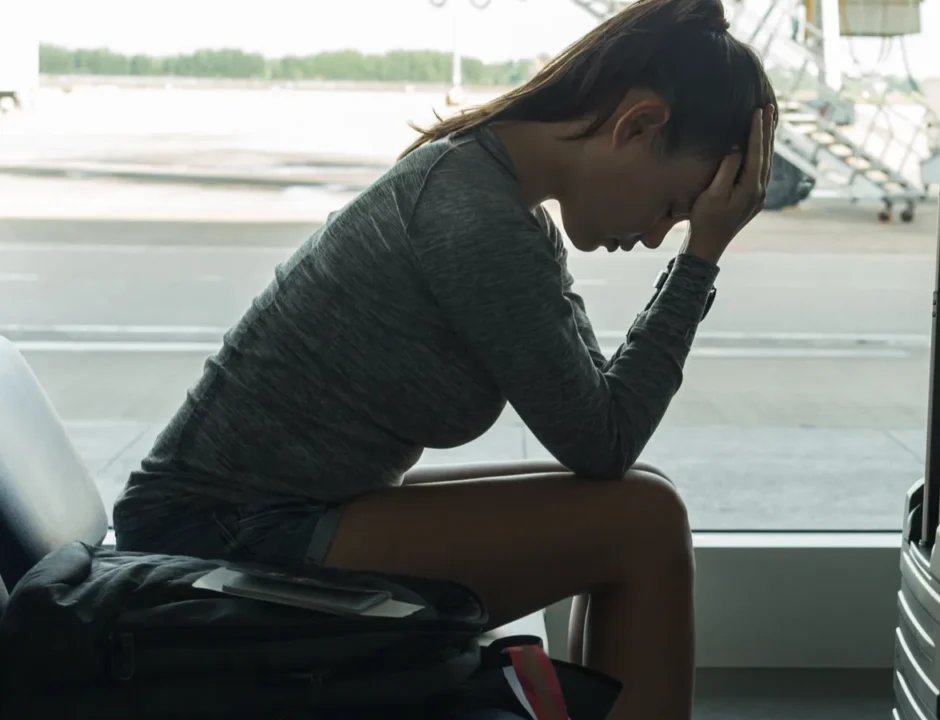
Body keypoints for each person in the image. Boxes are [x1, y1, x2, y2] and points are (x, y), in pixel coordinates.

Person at [111, 0, 776, 717]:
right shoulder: (473, 216)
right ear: (636, 126)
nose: (657, 236)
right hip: (219, 542)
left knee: (640, 500)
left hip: (265, 517)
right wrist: (700, 260)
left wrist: (697, 249)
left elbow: (607, 429)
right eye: (674, 206)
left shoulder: (502, 203)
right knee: (644, 521)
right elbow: (604, 440)